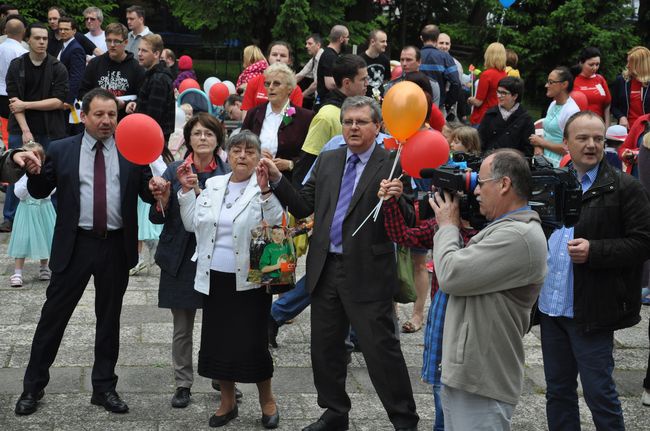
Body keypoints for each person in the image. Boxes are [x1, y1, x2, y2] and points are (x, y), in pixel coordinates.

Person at [261, 96, 419, 431]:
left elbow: (408, 219)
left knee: (381, 352)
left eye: (361, 122)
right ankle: (334, 411)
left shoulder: (392, 163)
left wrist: (395, 197)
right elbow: (304, 206)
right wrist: (277, 180)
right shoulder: (330, 159)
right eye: (348, 121)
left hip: (368, 271)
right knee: (325, 348)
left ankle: (404, 420)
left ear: (378, 127)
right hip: (326, 267)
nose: (353, 127)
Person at [14, 88, 159, 416]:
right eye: (99, 114)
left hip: (115, 245)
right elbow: (41, 188)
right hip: (75, 244)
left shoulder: (132, 149)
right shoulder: (62, 149)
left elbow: (148, 193)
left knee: (109, 319)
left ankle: (104, 388)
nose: (107, 121)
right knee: (53, 318)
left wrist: (156, 191)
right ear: (84, 114)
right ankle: (32, 388)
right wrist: (34, 173)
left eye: (112, 115)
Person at [537, 111, 650, 431]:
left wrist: (595, 251)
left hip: (593, 309)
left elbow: (644, 243)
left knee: (599, 392)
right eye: (582, 138)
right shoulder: (554, 182)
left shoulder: (625, 188)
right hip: (551, 308)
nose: (591, 145)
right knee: (558, 392)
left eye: (598, 139)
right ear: (566, 145)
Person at [430, 148, 547, 430]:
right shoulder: (505, 227)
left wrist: (447, 226)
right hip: (471, 373)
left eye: (480, 183)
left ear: (504, 184)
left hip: (483, 380)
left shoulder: (519, 235)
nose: (476, 191)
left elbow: (450, 274)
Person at [176, 130, 284, 429]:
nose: (242, 156)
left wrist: (265, 192)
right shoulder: (213, 184)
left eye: (250, 151)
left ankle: (268, 400)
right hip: (215, 277)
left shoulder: (263, 186)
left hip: (250, 279)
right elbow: (191, 225)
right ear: (227, 153)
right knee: (217, 342)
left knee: (253, 343)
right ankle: (227, 401)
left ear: (259, 156)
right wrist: (186, 193)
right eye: (236, 150)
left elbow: (276, 224)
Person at [379, 175, 479, 431]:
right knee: (440, 381)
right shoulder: (439, 227)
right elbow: (402, 235)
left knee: (466, 386)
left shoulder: (488, 231)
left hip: (474, 318)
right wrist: (391, 202)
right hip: (443, 311)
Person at [149, 113, 230, 408]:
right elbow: (156, 216)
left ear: (217, 139)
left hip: (219, 256)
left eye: (209, 134)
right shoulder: (174, 169)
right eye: (197, 134)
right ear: (189, 139)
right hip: (180, 257)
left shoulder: (228, 172)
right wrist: (164, 197)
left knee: (219, 323)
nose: (203, 139)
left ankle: (221, 376)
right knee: (182, 327)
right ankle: (183, 383)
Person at [2, 22, 68, 233]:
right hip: (21, 127)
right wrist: (25, 129)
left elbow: (58, 101)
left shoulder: (58, 67)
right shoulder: (17, 65)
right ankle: (10, 218)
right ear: (27, 40)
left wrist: (27, 104)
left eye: (45, 38)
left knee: (51, 172)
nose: (41, 42)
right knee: (15, 171)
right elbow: (14, 101)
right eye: (37, 38)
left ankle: (55, 217)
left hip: (51, 129)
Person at [242, 62, 314, 185]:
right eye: (267, 83)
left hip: (287, 182)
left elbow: (310, 156)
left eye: (276, 83)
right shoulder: (255, 113)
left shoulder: (304, 117)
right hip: (253, 180)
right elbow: (241, 144)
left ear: (289, 88)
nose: (270, 87)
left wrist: (290, 164)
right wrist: (255, 153)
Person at [7, 143, 55, 288]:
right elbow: (19, 193)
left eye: (36, 157)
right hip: (26, 210)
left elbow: (51, 191)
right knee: (22, 239)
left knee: (46, 237)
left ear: (42, 158)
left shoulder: (47, 173)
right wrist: (29, 178)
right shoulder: (20, 175)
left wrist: (39, 179)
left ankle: (44, 267)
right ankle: (17, 272)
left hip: (44, 210)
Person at [79, 22, 145, 118]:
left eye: (116, 41)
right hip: (98, 120)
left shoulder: (136, 67)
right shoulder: (95, 64)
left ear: (126, 42)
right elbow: (82, 92)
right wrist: (98, 101)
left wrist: (125, 104)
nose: (112, 45)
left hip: (124, 120)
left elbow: (143, 98)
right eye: (109, 41)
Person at [529, 66, 580, 167]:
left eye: (551, 82)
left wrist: (541, 143)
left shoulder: (571, 111)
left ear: (564, 84)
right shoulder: (553, 104)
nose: (546, 85)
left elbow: (569, 149)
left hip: (561, 166)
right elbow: (547, 133)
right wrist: (538, 146)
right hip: (544, 160)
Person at [241, 41, 303, 115]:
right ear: (268, 58)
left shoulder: (295, 89)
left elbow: (291, 118)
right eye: (274, 55)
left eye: (283, 56)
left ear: (289, 61)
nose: (278, 58)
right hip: (256, 125)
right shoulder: (254, 83)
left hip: (283, 125)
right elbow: (246, 114)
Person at [478, 76, 535, 156]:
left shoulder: (526, 119)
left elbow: (528, 150)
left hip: (512, 165)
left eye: (504, 93)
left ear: (515, 96)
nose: (499, 96)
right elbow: (480, 143)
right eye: (498, 92)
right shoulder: (490, 114)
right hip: (488, 162)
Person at [419, 24, 460, 113]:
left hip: (415, 105)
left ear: (421, 38)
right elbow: (456, 83)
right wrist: (448, 103)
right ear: (437, 39)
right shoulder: (445, 57)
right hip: (437, 107)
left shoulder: (414, 55)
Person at [56, 16, 86, 134]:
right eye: (61, 29)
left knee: (70, 130)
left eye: (66, 29)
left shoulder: (76, 49)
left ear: (74, 31)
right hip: (63, 94)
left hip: (71, 100)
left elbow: (76, 76)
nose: (63, 32)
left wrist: (69, 100)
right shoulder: (63, 45)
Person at [0, 15, 27, 142]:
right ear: (24, 32)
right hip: (13, 96)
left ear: (5, 31)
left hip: (2, 93)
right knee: (12, 130)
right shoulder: (22, 52)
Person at [468, 42, 507, 125]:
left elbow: (478, 102)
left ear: (488, 56)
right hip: (497, 117)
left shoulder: (487, 74)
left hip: (483, 118)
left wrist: (470, 100)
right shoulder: (505, 74)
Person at [612, 46, 650, 129]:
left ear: (640, 65)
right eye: (627, 62)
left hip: (647, 131)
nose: (627, 65)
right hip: (626, 130)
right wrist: (621, 117)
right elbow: (613, 106)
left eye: (630, 63)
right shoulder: (621, 80)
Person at [315, 25, 349, 109]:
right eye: (347, 38)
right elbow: (330, 84)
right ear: (341, 39)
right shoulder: (329, 56)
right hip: (326, 104)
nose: (348, 41)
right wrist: (348, 86)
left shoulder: (331, 54)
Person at [573, 47, 611, 122]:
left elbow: (607, 105)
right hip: (579, 123)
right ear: (581, 63)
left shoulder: (600, 79)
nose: (595, 68)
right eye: (591, 65)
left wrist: (607, 126)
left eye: (597, 64)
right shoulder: (573, 79)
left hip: (598, 124)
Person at [360, 29, 390, 99]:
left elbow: (386, 81)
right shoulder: (360, 60)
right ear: (373, 42)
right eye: (382, 41)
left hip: (380, 101)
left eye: (386, 41)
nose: (386, 44)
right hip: (364, 101)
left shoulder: (385, 60)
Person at [296, 34, 323, 101]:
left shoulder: (323, 58)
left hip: (325, 98)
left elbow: (317, 84)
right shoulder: (314, 58)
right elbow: (300, 75)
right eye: (306, 43)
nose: (306, 46)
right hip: (319, 97)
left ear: (318, 45)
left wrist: (301, 95)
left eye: (310, 44)